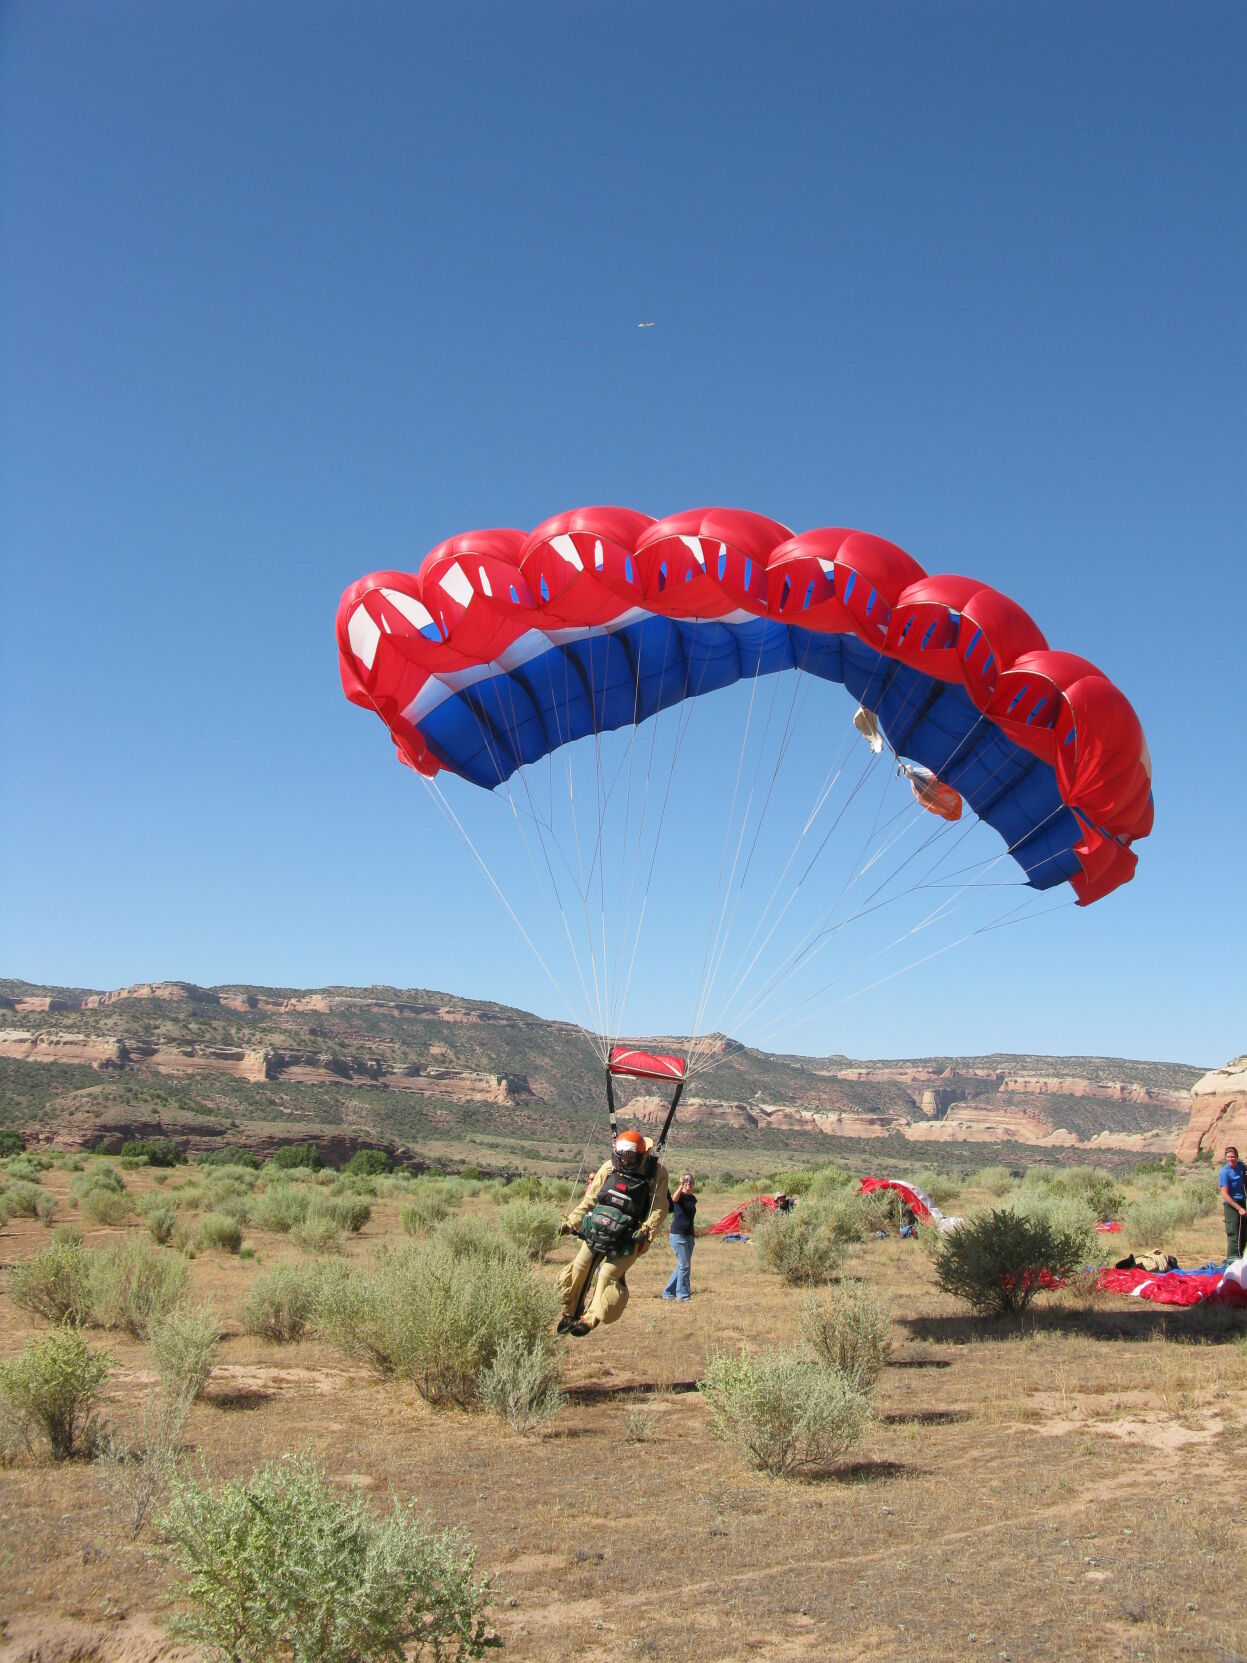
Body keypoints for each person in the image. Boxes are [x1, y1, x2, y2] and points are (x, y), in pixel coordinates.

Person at [556, 1128, 669, 1336]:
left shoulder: (657, 1174)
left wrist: (646, 1231)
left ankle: (590, 1319)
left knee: (607, 1274)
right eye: (622, 1157)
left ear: (641, 1154)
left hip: (629, 1237)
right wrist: (571, 1223)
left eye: (630, 1157)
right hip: (598, 1229)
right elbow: (589, 1200)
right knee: (580, 1267)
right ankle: (570, 1313)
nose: (625, 1161)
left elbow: (659, 1208)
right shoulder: (609, 1168)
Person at [662, 1173, 697, 1301]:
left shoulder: (693, 1198)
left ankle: (668, 1292)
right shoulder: (679, 1196)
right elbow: (673, 1200)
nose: (689, 1183)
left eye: (691, 1181)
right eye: (686, 1180)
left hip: (689, 1235)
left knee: (682, 1265)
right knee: (685, 1266)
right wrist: (680, 1186)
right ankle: (683, 1295)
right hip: (678, 1235)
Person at [1218, 1144, 1247, 1264]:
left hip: (1241, 1202)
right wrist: (1238, 1208)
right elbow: (1224, 1194)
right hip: (1231, 1205)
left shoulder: (1241, 1167)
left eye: (1233, 1157)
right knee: (1234, 1234)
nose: (1230, 1159)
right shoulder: (1225, 1172)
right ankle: (1232, 1262)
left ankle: (1240, 1261)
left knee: (1243, 1233)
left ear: (1237, 1157)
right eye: (1228, 1157)